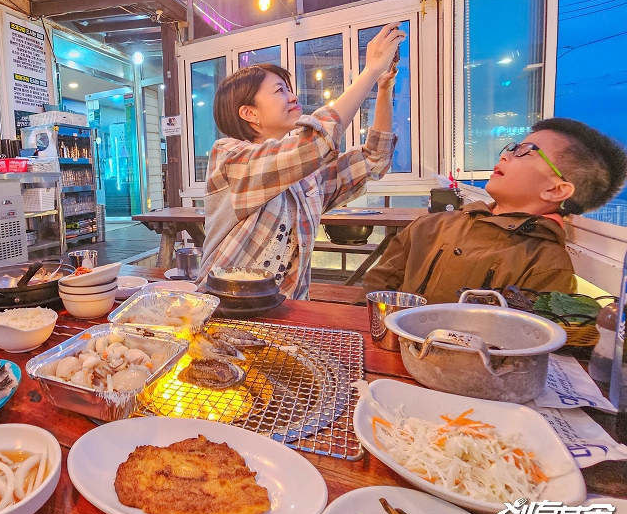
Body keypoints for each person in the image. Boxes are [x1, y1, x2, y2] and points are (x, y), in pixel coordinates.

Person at [196, 24, 406, 299]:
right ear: (249, 113)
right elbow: (312, 144)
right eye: (280, 90)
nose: (293, 96)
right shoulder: (229, 157)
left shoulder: (307, 176)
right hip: (222, 309)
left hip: (286, 311)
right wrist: (370, 71)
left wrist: (383, 89)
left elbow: (373, 160)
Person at [363, 119, 627, 304]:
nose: (506, 155)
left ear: (556, 191)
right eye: (513, 147)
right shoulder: (433, 225)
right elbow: (377, 286)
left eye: (526, 151)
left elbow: (525, 342)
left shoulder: (546, 263)